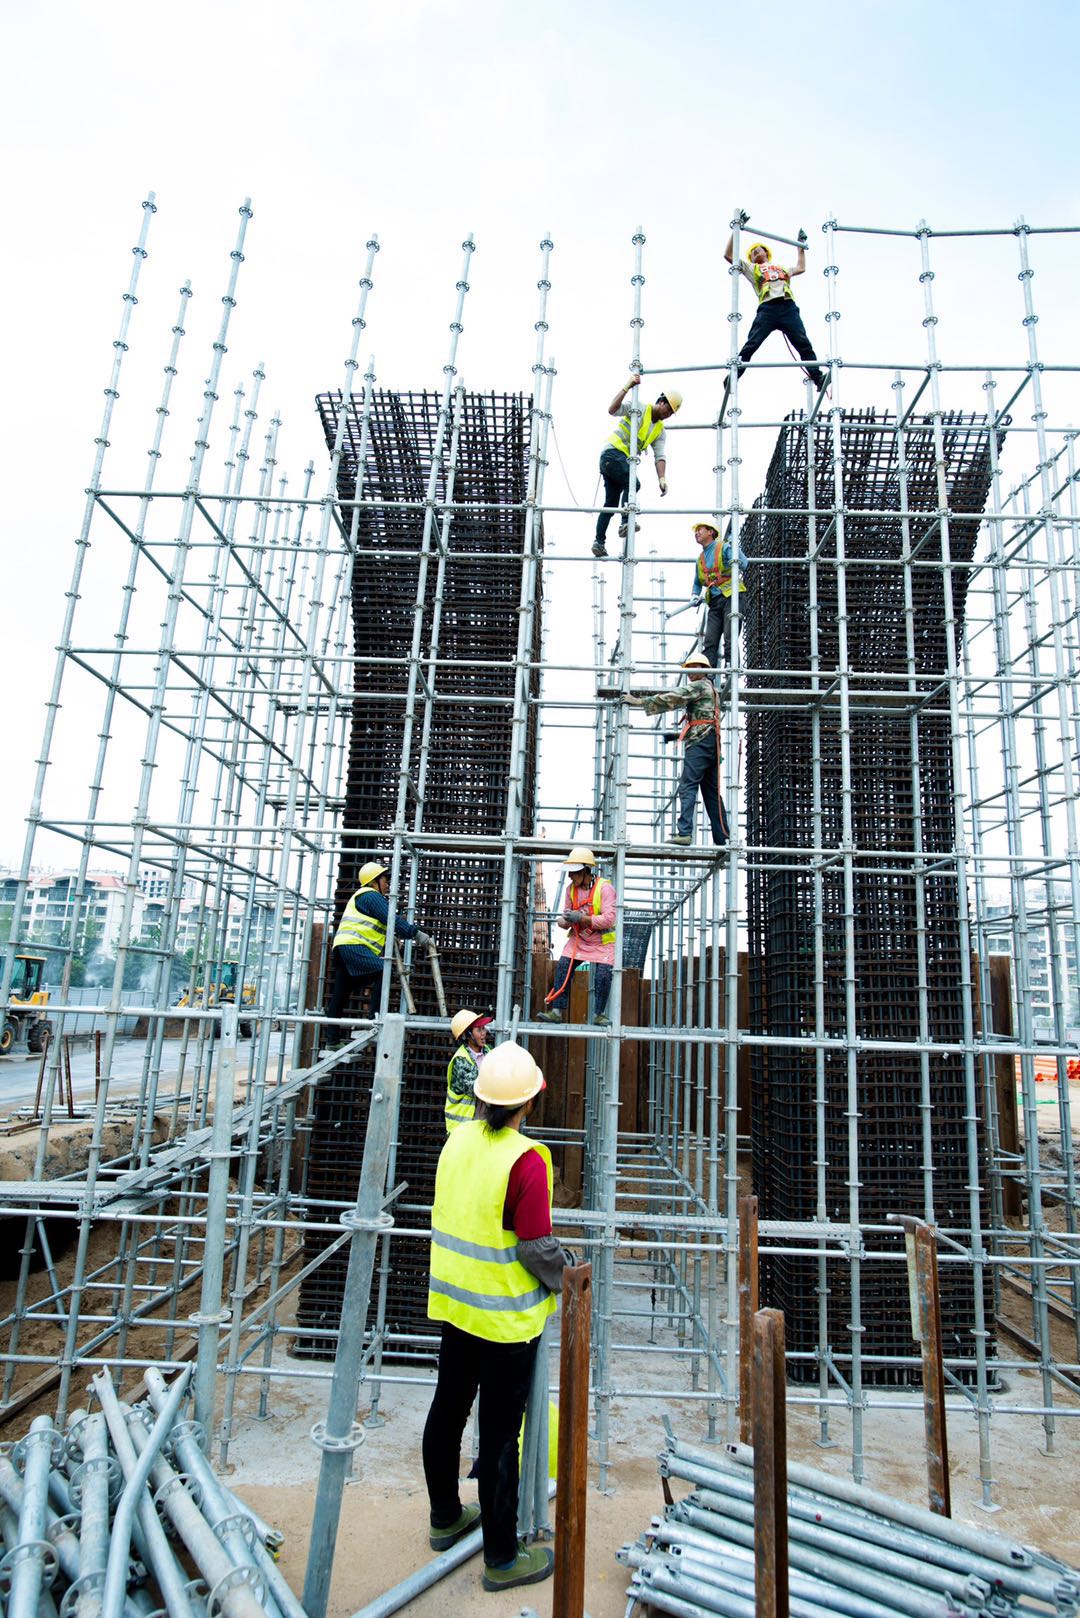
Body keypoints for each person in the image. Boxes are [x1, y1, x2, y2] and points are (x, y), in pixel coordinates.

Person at [423, 1040, 570, 1593]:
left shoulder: (456, 1140)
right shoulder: (527, 1159)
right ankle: (504, 1558)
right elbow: (536, 1248)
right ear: (529, 1102)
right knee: (501, 1438)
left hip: (456, 1307)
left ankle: (445, 1517)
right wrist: (570, 1273)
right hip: (505, 1322)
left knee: (448, 1410)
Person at [323, 861, 432, 1046]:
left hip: (343, 948)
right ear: (374, 882)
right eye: (385, 879)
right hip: (354, 947)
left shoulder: (362, 898)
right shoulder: (371, 896)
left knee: (341, 992)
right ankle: (374, 1019)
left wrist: (392, 937)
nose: (388, 883)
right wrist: (416, 934)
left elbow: (380, 924)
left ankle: (332, 1040)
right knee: (385, 971)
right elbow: (392, 919)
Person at [626, 653, 729, 847]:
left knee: (688, 785)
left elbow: (674, 697)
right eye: (688, 668)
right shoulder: (711, 689)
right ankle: (722, 837)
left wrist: (641, 702)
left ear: (704, 669)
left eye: (694, 668)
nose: (690, 672)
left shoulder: (699, 686)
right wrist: (675, 736)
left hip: (700, 743)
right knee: (712, 792)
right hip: (711, 743)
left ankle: (685, 833)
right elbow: (702, 719)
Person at [723, 226, 827, 391]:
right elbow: (728, 255)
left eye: (759, 250)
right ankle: (734, 376)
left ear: (766, 252)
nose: (756, 253)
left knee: (802, 342)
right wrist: (736, 231)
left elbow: (801, 267)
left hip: (788, 307)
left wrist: (800, 246)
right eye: (753, 252)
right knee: (752, 343)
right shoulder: (753, 268)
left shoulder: (782, 268)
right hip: (768, 309)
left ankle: (818, 377)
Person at [593, 375, 683, 559]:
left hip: (621, 462)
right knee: (633, 483)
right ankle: (626, 521)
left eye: (671, 413)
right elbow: (612, 409)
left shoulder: (660, 431)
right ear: (661, 401)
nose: (668, 413)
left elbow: (660, 457)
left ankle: (598, 542)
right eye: (668, 407)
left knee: (611, 503)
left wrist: (662, 478)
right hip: (612, 453)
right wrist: (627, 385)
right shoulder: (639, 408)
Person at [536, 847, 616, 1026]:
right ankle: (556, 1011)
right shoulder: (570, 890)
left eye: (573, 873)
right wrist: (565, 920)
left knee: (603, 975)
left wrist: (582, 918)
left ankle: (599, 1014)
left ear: (584, 870)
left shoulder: (605, 888)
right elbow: (567, 915)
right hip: (579, 940)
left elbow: (609, 919)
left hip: (602, 942)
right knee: (564, 966)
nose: (570, 877)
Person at [690, 515, 748, 667]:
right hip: (715, 601)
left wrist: (734, 548)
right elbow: (697, 581)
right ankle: (708, 674)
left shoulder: (723, 547)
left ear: (710, 532)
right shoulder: (700, 559)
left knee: (730, 635)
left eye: (699, 530)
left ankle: (731, 666)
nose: (696, 533)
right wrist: (694, 595)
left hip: (731, 596)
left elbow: (744, 564)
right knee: (710, 640)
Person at [445, 1007, 493, 1132]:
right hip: (463, 1129)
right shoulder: (460, 1061)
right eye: (479, 1029)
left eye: (483, 1028)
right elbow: (478, 1089)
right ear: (467, 1035)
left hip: (484, 1125)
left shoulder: (489, 1052)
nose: (484, 1033)